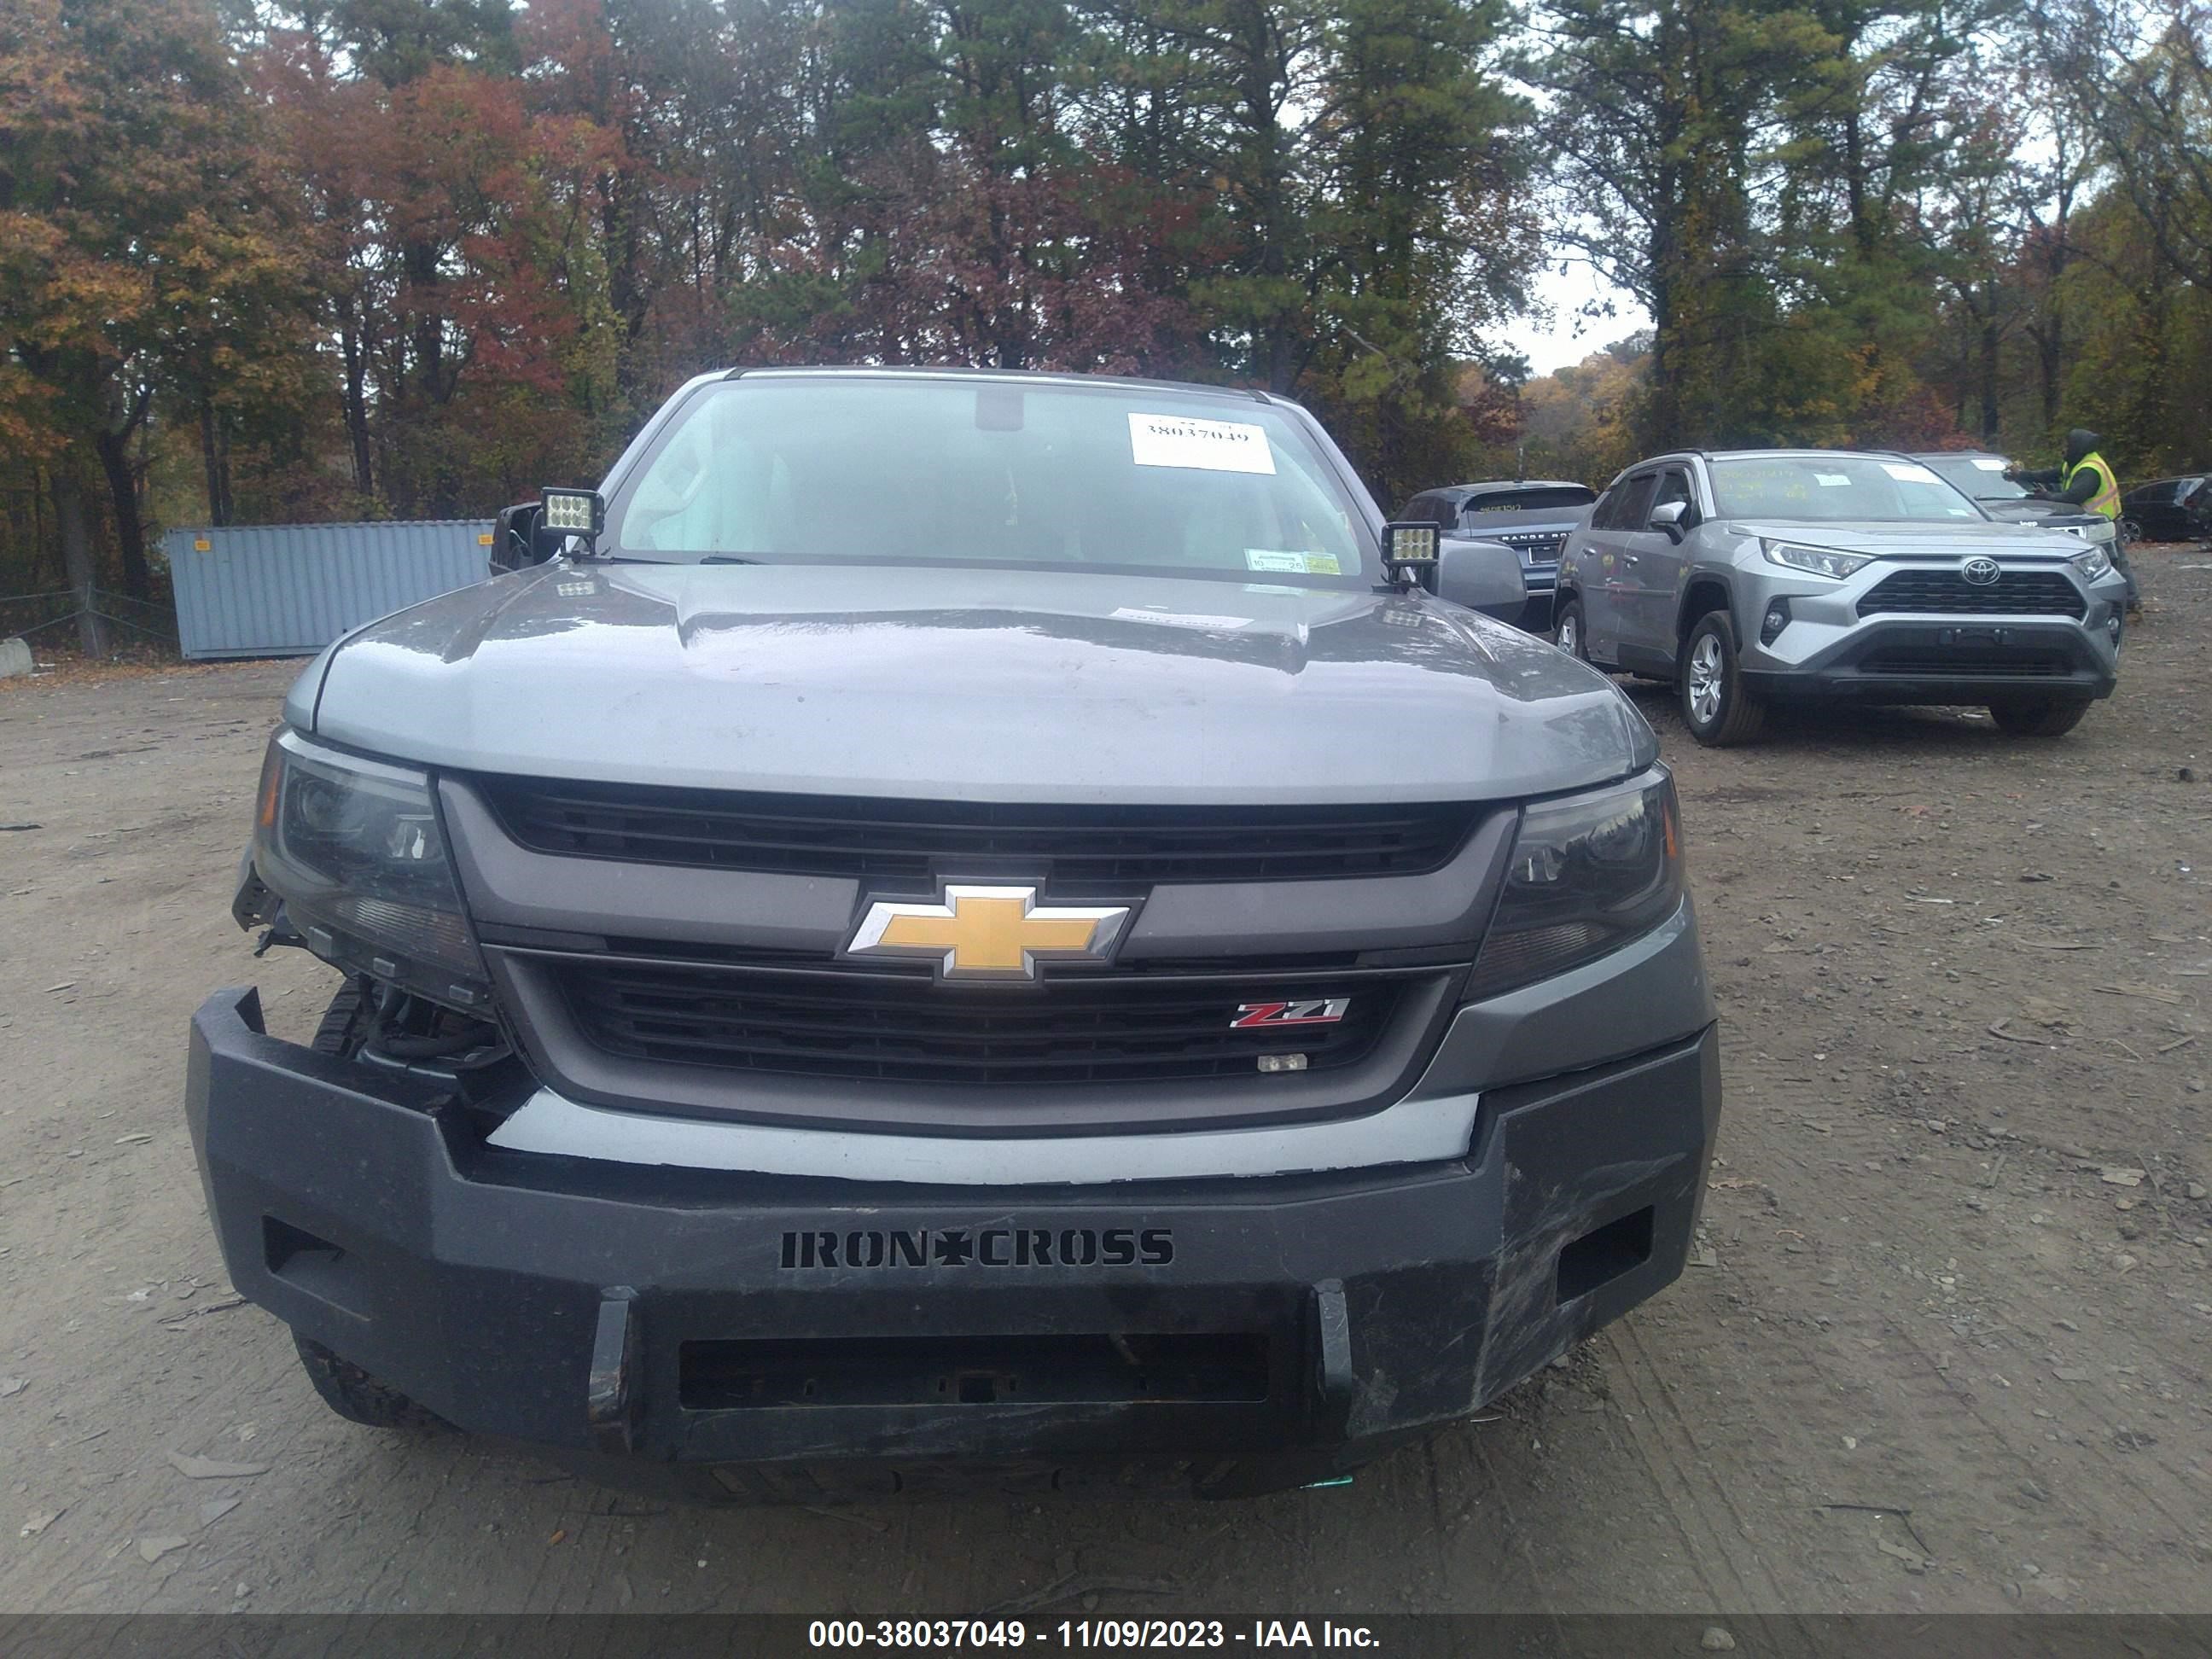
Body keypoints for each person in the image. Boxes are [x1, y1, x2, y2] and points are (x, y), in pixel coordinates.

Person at [2011, 428, 2139, 615]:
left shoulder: (2090, 470)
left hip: (2103, 524)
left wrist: (2047, 496)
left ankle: (2131, 604)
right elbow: (2048, 475)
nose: (2064, 450)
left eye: (2067, 446)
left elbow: (2074, 496)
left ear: (2077, 447)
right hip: (2087, 523)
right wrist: (2022, 475)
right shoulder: (2075, 464)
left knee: (2114, 564)